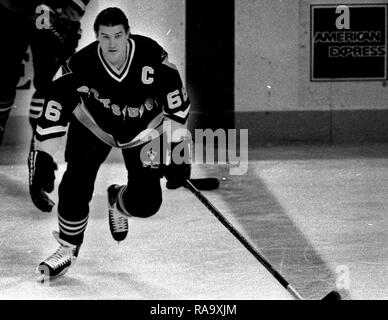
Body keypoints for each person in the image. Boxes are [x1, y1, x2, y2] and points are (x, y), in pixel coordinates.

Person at [28, 7, 191, 279]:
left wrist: (178, 153)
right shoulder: (79, 66)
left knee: (147, 203)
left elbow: (178, 111)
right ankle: (67, 248)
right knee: (75, 183)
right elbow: (52, 115)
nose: (112, 43)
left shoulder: (153, 58)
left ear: (128, 34)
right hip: (93, 127)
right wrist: (43, 158)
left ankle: (118, 199)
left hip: (145, 132)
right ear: (97, 37)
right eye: (105, 36)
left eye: (118, 35)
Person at [0, 0, 90, 146]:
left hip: (58, 13)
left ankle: (40, 153)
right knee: (3, 82)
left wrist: (69, 11)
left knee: (51, 86)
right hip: (13, 9)